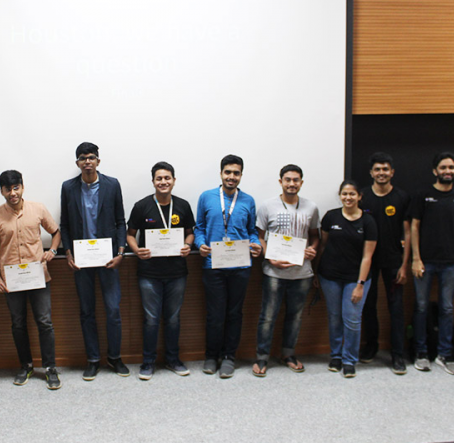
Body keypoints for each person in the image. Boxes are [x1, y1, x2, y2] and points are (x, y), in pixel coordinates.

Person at [0, 170, 63, 390]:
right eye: (7, 189)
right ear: (1, 191)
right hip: (12, 280)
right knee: (18, 323)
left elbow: (56, 232)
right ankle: (26, 365)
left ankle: (50, 368)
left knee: (44, 322)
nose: (13, 193)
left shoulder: (38, 209)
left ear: (22, 187)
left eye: (16, 188)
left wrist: (53, 251)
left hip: (38, 276)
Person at [60, 142, 128, 380]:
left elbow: (120, 221)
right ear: (77, 163)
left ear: (98, 161)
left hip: (108, 259)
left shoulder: (112, 184)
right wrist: (68, 253)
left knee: (113, 310)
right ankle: (93, 360)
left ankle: (115, 357)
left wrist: (121, 253)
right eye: (82, 158)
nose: (87, 162)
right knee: (87, 311)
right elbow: (65, 225)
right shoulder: (68, 188)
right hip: (81, 260)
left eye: (91, 157)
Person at [126, 162, 196, 380]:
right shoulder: (142, 206)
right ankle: (148, 362)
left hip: (177, 273)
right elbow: (130, 234)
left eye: (167, 178)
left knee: (173, 319)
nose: (163, 182)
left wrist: (188, 245)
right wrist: (136, 250)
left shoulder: (183, 205)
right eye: (159, 178)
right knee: (151, 319)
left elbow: (190, 232)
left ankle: (173, 359)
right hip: (149, 274)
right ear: (153, 181)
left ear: (174, 180)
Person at [194, 154, 262, 378]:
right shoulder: (206, 197)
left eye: (236, 173)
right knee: (215, 314)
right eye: (228, 172)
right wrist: (200, 244)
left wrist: (255, 243)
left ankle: (229, 357)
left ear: (241, 175)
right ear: (221, 173)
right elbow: (199, 228)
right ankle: (211, 356)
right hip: (213, 265)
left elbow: (252, 230)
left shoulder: (248, 200)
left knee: (234, 313)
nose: (232, 177)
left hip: (240, 267)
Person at [252, 164, 319, 377]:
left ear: (301, 182)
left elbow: (315, 236)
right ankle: (262, 357)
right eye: (287, 180)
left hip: (302, 272)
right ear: (280, 181)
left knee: (295, 316)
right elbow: (259, 236)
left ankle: (288, 354)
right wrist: (270, 257)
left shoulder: (311, 207)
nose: (292, 184)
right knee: (268, 316)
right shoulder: (267, 206)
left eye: (296, 180)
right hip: (273, 272)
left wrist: (312, 249)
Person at [409, 152, 454, 375]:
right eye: (443, 167)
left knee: (447, 308)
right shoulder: (423, 195)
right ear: (435, 171)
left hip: (451, 262)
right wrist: (416, 258)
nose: (447, 171)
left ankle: (445, 354)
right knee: (421, 307)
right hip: (425, 261)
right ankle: (421, 352)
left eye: (451, 167)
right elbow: (414, 226)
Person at [315, 180, 377, 378]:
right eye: (344, 194)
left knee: (352, 319)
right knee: (334, 317)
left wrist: (360, 284)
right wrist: (316, 272)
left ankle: (349, 360)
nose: (348, 197)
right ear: (340, 196)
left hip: (355, 279)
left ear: (359, 197)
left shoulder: (368, 221)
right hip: (329, 277)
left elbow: (367, 257)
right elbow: (323, 246)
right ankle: (336, 356)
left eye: (352, 194)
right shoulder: (330, 217)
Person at [359, 152, 411, 374]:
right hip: (368, 261)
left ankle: (397, 354)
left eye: (385, 169)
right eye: (377, 169)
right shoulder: (362, 196)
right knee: (368, 305)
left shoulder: (402, 197)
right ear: (371, 173)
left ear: (392, 172)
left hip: (393, 261)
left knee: (396, 307)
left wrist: (404, 265)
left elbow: (408, 232)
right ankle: (371, 346)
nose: (381, 173)